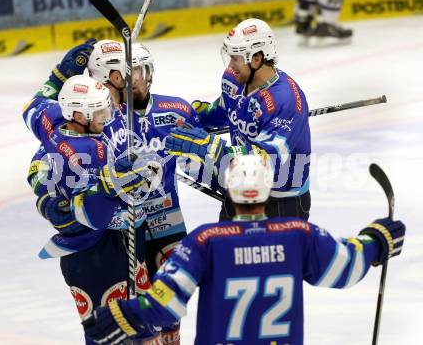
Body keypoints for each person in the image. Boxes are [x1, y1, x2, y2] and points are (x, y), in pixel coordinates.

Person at [81, 153, 406, 345]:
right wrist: (377, 241)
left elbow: (165, 304)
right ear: (267, 191)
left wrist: (123, 314)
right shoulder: (298, 235)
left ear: (229, 193)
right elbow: (345, 266)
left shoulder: (206, 240)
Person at [26, 39, 202, 345]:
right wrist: (49, 194)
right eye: (128, 72)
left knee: (156, 314)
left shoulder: (84, 118)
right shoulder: (95, 133)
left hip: (144, 223)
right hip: (106, 240)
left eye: (140, 71)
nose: (137, 78)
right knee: (112, 328)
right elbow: (44, 168)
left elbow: (35, 111)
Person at [23, 72, 153, 344]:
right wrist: (119, 183)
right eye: (99, 112)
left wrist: (60, 73)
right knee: (114, 332)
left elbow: (33, 110)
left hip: (85, 253)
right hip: (99, 250)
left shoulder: (51, 124)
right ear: (79, 116)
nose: (107, 117)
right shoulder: (92, 152)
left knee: (121, 328)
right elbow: (94, 213)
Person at [167, 18, 311, 222]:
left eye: (236, 58)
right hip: (238, 189)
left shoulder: (285, 101)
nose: (231, 65)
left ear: (257, 58)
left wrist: (212, 148)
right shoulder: (234, 78)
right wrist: (199, 115)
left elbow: (267, 159)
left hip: (281, 199)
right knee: (227, 253)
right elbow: (229, 106)